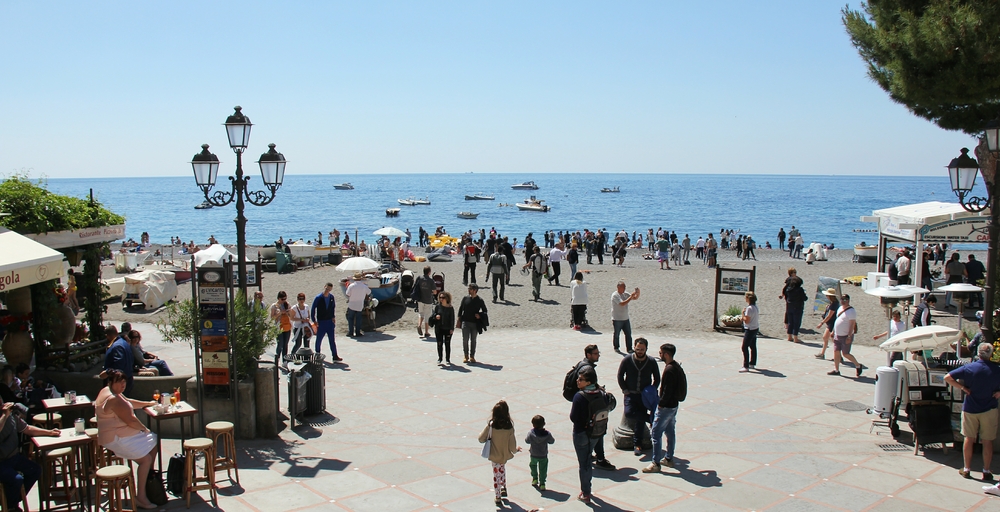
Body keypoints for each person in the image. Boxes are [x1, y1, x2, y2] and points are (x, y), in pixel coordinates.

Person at [96, 369, 159, 509]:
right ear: (111, 382)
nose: (123, 385)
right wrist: (144, 428)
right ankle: (141, 496)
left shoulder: (109, 391)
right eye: (119, 382)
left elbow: (128, 402)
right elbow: (131, 420)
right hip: (115, 438)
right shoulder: (113, 399)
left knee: (154, 441)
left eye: (124, 382)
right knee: (146, 458)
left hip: (117, 434)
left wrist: (146, 404)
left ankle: (148, 477)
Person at [944, 343, 1000, 483]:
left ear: (978, 354)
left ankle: (967, 469)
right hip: (990, 408)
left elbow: (948, 377)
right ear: (991, 354)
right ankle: (986, 470)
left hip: (970, 408)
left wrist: (963, 387)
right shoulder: (996, 369)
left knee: (969, 438)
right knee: (988, 441)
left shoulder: (969, 368)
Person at [0, 397, 58, 510]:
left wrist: (49, 432)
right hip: (1, 462)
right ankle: (11, 506)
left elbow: (27, 429)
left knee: (35, 470)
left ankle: (11, 501)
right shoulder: (5, 416)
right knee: (16, 479)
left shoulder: (10, 416)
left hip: (14, 457)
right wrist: (4, 416)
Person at [570, 366, 609, 504]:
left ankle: (585, 492)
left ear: (588, 382)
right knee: (587, 458)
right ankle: (587, 490)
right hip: (596, 433)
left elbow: (574, 417)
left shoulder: (580, 396)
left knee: (584, 463)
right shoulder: (602, 393)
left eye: (581, 379)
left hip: (581, 433)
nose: (577, 381)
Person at [643, 342, 684, 473]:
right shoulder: (676, 366)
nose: (659, 355)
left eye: (660, 353)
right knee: (670, 431)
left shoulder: (669, 370)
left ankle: (655, 462)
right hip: (674, 406)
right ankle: (669, 458)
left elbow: (667, 390)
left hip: (666, 407)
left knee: (655, 433)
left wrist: (660, 404)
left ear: (666, 354)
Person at [617, 338, 660, 454]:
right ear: (634, 348)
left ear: (646, 349)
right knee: (629, 413)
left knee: (640, 422)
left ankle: (638, 444)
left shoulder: (651, 361)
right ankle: (651, 419)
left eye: (642, 349)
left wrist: (652, 390)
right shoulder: (627, 360)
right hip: (630, 393)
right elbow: (620, 375)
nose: (640, 351)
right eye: (638, 349)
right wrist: (624, 389)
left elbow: (657, 378)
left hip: (643, 396)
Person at [478, 400, 521, 506]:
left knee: (496, 474)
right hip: (504, 454)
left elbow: (481, 439)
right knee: (502, 469)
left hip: (494, 454)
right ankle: (503, 486)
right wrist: (516, 450)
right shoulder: (509, 427)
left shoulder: (491, 425)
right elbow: (512, 445)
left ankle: (498, 496)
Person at [829, 294, 864, 378]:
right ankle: (836, 370)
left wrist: (849, 336)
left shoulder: (851, 311)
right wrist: (833, 331)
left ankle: (858, 365)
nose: (843, 301)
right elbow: (837, 320)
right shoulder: (840, 308)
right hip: (838, 334)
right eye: (842, 299)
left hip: (845, 335)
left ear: (848, 300)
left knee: (845, 354)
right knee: (836, 352)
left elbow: (852, 324)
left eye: (845, 299)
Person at [311, 283, 342, 361]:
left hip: (329, 321)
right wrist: (314, 320)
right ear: (324, 287)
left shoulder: (331, 297)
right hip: (321, 322)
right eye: (327, 289)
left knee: (332, 340)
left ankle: (335, 356)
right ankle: (317, 354)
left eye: (329, 289)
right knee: (319, 339)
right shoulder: (318, 298)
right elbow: (313, 308)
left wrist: (333, 317)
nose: (327, 290)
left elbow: (333, 307)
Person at [457, 284, 488, 364]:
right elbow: (461, 309)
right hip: (465, 322)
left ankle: (472, 356)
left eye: (470, 289)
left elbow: (485, 311)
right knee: (465, 339)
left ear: (474, 290)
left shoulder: (480, 300)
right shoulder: (465, 298)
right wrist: (459, 318)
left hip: (475, 323)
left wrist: (479, 315)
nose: (468, 290)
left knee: (473, 340)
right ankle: (466, 355)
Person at [525, 415, 555, 491]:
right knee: (543, 469)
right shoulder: (547, 434)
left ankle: (535, 478)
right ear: (544, 423)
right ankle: (542, 483)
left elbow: (527, 441)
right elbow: (552, 441)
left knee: (533, 465)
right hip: (543, 455)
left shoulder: (531, 433)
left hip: (533, 454)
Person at [104, 322, 134, 396]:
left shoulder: (117, 346)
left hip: (119, 383)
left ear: (107, 336)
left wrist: (108, 372)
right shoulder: (123, 343)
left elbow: (118, 365)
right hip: (127, 379)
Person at [779, 268, 807, 344]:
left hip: (789, 305)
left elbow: (785, 294)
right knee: (796, 322)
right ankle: (795, 338)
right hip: (798, 307)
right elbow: (805, 298)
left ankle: (789, 336)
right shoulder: (800, 289)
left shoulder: (789, 289)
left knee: (790, 321)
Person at [611, 281, 640, 353]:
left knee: (628, 334)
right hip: (617, 318)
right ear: (618, 287)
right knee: (617, 334)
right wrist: (630, 297)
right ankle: (616, 347)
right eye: (623, 287)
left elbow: (635, 298)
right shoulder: (615, 295)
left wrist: (638, 293)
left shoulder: (625, 294)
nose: (624, 288)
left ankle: (629, 348)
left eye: (625, 287)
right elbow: (622, 303)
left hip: (625, 318)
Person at [430, 291, 455, 364]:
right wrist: (436, 317)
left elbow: (452, 319)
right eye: (440, 297)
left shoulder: (450, 308)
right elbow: (433, 315)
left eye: (443, 297)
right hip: (439, 328)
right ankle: (440, 358)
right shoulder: (437, 307)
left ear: (447, 298)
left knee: (447, 344)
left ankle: (447, 359)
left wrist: (452, 328)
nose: (441, 299)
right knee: (439, 343)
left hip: (447, 329)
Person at [815, 288, 840, 360]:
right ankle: (823, 353)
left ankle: (838, 356)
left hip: (832, 323)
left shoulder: (833, 304)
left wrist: (821, 323)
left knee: (829, 339)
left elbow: (829, 316)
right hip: (831, 323)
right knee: (827, 338)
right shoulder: (833, 303)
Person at [345, 273, 371, 338]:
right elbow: (369, 292)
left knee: (350, 318)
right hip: (359, 304)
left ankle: (350, 332)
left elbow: (347, 294)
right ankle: (357, 332)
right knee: (358, 319)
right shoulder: (364, 286)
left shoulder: (351, 286)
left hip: (352, 304)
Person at [270, 291, 292, 365]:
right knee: (280, 344)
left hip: (287, 326)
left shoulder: (287, 304)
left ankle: (285, 360)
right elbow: (272, 317)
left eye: (285, 299)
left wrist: (288, 312)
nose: (284, 300)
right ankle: (277, 358)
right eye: (282, 299)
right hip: (279, 327)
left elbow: (291, 316)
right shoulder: (274, 306)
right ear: (279, 298)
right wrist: (279, 313)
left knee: (285, 344)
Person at [739, 292, 759, 373]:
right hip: (755, 328)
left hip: (750, 329)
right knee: (753, 346)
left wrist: (742, 314)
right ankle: (752, 363)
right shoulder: (755, 307)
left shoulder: (749, 308)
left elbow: (747, 321)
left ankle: (746, 365)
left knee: (744, 347)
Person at [414, 266, 437, 337]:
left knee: (421, 313)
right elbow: (435, 292)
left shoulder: (419, 278)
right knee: (427, 316)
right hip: (428, 300)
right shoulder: (431, 281)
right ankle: (426, 332)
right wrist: (431, 292)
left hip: (420, 299)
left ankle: (419, 325)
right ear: (429, 272)